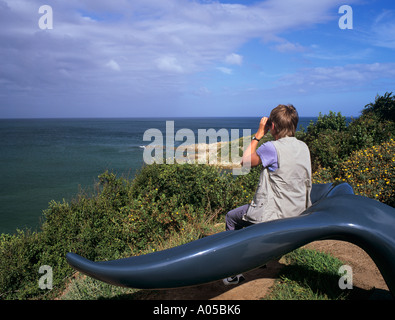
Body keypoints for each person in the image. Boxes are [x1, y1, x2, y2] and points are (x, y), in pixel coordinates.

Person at [223, 104, 312, 285]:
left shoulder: (272, 148)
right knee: (250, 220)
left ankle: (231, 272)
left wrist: (258, 135)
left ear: (272, 126)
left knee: (231, 218)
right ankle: (261, 258)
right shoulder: (303, 147)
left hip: (276, 214)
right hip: (299, 212)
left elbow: (245, 162)